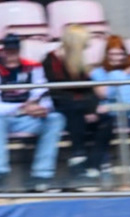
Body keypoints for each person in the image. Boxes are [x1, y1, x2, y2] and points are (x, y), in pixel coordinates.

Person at [0, 33, 62, 193]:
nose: (12, 54)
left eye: (14, 50)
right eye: (8, 51)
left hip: (26, 118)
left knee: (55, 118)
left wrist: (42, 109)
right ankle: (0, 175)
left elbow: (43, 94)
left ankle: (41, 176)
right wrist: (22, 108)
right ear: (3, 50)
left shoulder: (33, 67)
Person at [42, 23, 105, 187]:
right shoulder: (51, 60)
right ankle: (78, 161)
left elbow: (89, 89)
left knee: (106, 119)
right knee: (75, 112)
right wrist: (86, 106)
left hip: (81, 105)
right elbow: (58, 92)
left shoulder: (80, 63)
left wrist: (92, 108)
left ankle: (94, 166)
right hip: (62, 105)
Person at [90, 34, 130, 130]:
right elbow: (103, 94)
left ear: (125, 54)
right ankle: (124, 106)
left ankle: (128, 106)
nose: (116, 58)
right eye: (112, 54)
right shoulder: (98, 73)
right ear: (106, 55)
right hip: (110, 116)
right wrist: (122, 74)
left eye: (120, 54)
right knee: (116, 75)